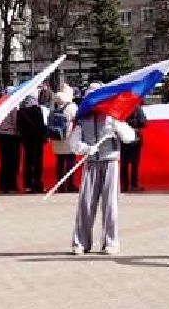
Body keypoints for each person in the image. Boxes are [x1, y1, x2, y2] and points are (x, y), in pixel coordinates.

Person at [69, 85, 133, 255]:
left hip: (110, 161)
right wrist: (85, 148)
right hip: (90, 163)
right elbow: (73, 143)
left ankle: (110, 242)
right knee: (86, 204)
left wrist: (117, 127)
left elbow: (130, 137)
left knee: (110, 204)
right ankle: (81, 242)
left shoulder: (112, 116)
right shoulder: (82, 119)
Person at [45, 87, 76, 193]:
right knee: (70, 161)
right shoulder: (71, 107)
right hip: (68, 138)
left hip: (56, 138)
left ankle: (60, 185)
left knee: (60, 162)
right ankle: (70, 184)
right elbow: (77, 119)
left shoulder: (53, 107)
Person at [18, 91, 48, 194]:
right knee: (38, 161)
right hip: (37, 139)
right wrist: (44, 136)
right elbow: (41, 124)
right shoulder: (37, 109)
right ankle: (37, 183)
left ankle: (28, 185)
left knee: (27, 161)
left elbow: (19, 126)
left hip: (27, 139)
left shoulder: (21, 110)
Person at [119, 102, 148, 192]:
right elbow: (144, 122)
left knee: (124, 164)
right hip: (135, 139)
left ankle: (124, 186)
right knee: (134, 164)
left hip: (123, 139)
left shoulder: (121, 108)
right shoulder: (137, 108)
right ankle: (133, 185)